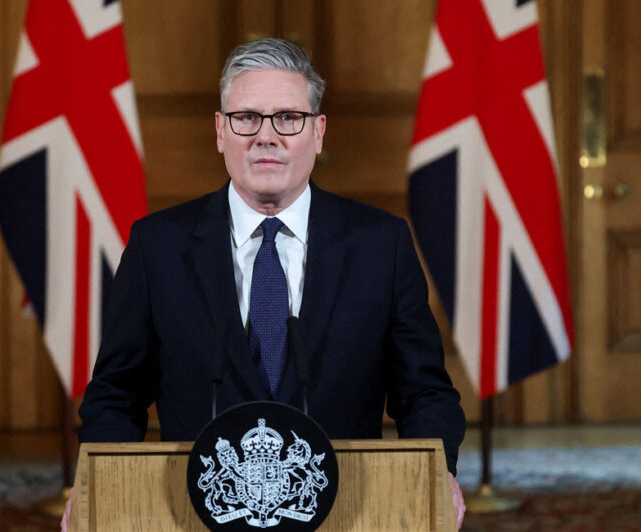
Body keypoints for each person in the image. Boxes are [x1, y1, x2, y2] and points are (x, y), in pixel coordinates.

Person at [76, 38, 465, 527]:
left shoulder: (381, 246)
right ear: (220, 130)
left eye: (288, 118)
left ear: (318, 132)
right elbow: (115, 394)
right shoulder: (157, 247)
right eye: (246, 118)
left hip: (350, 509)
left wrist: (435, 472)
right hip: (193, 512)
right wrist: (99, 486)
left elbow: (425, 394)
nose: (266, 136)